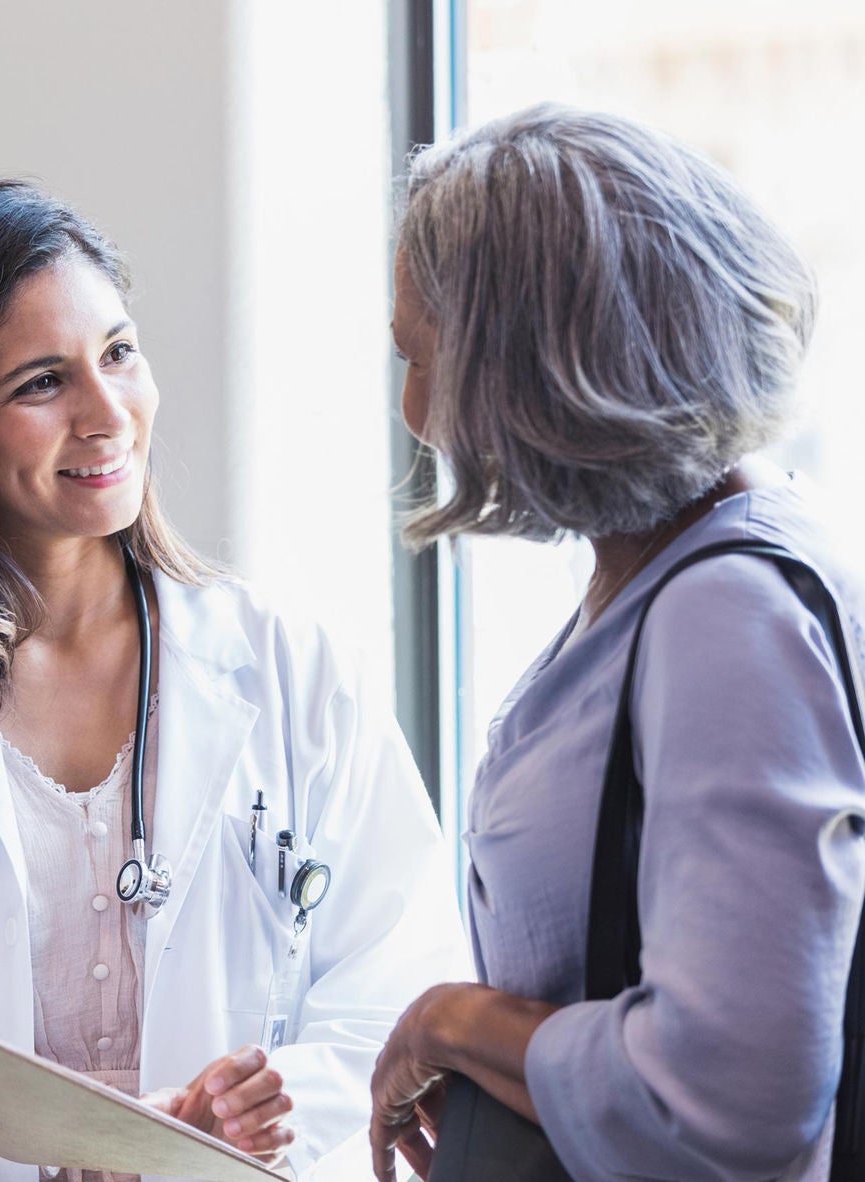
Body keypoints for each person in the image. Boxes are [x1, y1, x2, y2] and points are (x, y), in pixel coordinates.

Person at [0, 179, 468, 1182]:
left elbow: (401, 992)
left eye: (117, 354)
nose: (107, 414)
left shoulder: (291, 673)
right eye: (39, 383)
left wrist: (248, 1112)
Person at [368, 104, 865, 1181]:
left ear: (530, 374)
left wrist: (454, 1024)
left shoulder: (726, 615)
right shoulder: (677, 561)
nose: (413, 410)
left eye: (417, 357)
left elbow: (729, 1097)